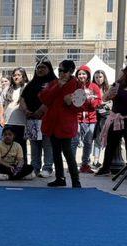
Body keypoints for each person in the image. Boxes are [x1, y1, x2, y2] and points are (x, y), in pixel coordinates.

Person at [39, 60, 82, 188]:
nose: (61, 73)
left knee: (68, 153)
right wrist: (58, 86)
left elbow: (81, 106)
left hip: (66, 124)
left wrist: (70, 102)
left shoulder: (77, 85)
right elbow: (44, 98)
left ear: (70, 72)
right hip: (53, 123)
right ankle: (60, 178)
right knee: (56, 152)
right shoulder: (54, 83)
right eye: (59, 71)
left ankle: (75, 180)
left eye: (64, 71)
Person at [95, 60, 127, 176]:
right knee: (111, 144)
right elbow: (104, 98)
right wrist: (110, 94)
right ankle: (105, 168)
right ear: (125, 71)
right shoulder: (118, 83)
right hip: (116, 118)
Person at [20, 60, 56, 178]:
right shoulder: (31, 84)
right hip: (31, 119)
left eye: (43, 67)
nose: (40, 70)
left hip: (47, 118)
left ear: (49, 69)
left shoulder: (53, 83)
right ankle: (35, 168)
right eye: (38, 67)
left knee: (47, 144)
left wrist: (39, 112)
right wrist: (26, 111)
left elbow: (52, 100)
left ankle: (47, 168)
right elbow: (22, 98)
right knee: (34, 144)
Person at [71, 65, 102, 174]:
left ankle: (85, 164)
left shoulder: (94, 86)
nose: (81, 76)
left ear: (88, 75)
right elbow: (72, 102)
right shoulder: (74, 86)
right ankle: (72, 164)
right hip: (77, 117)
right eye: (79, 74)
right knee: (74, 141)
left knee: (88, 141)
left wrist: (90, 101)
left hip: (91, 118)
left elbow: (98, 102)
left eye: (84, 73)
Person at [2, 68, 29, 161]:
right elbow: (2, 104)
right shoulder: (8, 88)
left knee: (21, 147)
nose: (16, 77)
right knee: (8, 146)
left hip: (21, 123)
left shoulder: (27, 87)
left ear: (24, 76)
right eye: (14, 75)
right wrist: (2, 117)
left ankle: (22, 166)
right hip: (9, 121)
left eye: (18, 75)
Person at [92, 70, 111, 168]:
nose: (98, 79)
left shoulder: (108, 88)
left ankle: (108, 160)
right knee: (97, 137)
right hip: (95, 114)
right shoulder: (91, 88)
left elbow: (112, 102)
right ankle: (96, 160)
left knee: (107, 137)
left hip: (106, 115)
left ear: (104, 77)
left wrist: (105, 104)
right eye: (96, 77)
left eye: (100, 77)